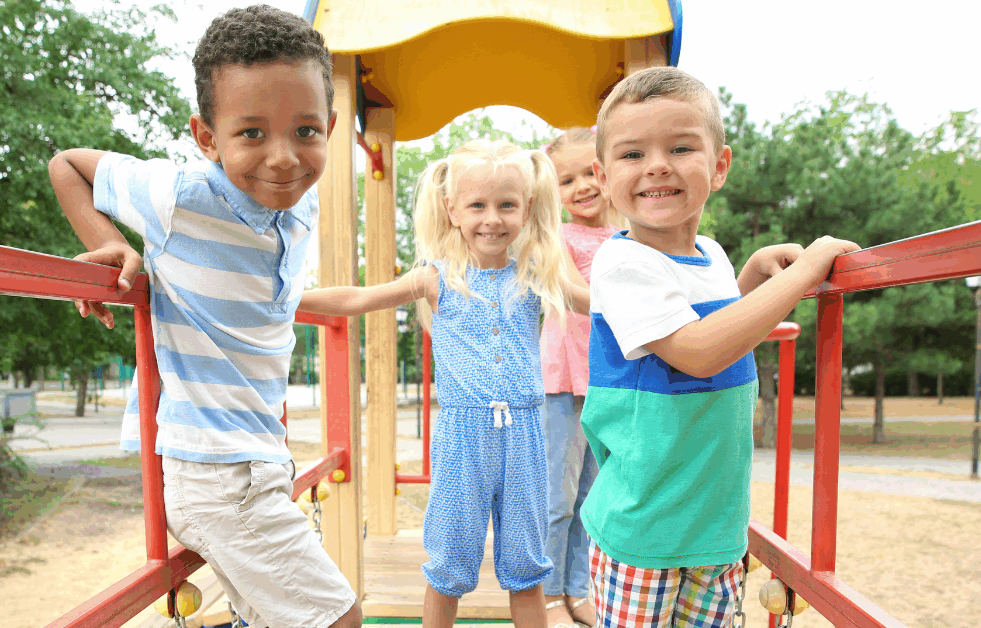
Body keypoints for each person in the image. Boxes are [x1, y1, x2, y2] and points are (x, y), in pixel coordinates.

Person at [47, 6, 362, 627]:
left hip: (258, 461)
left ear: (328, 126)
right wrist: (114, 243)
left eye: (304, 132)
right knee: (339, 617)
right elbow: (69, 164)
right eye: (251, 133)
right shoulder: (180, 196)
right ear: (207, 136)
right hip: (216, 473)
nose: (282, 158)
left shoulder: (302, 203)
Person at [581, 66, 859, 627]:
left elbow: (721, 328)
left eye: (681, 147)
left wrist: (753, 277)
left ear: (720, 165)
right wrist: (804, 271)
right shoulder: (623, 261)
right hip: (645, 523)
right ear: (604, 175)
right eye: (632, 155)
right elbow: (700, 352)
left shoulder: (710, 253)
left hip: (713, 522)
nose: (657, 164)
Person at [298, 139, 590, 628]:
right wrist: (284, 297)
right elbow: (355, 298)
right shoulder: (438, 277)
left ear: (528, 208)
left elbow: (594, 302)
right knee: (449, 560)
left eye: (506, 206)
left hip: (524, 435)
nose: (491, 219)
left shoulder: (536, 272)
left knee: (526, 563)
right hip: (462, 438)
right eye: (477, 205)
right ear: (452, 209)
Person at [538, 127, 625, 628]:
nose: (582, 186)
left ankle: (579, 585)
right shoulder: (557, 239)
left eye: (590, 172)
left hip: (611, 380)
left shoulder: (629, 237)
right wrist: (638, 308)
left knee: (594, 494)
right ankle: (548, 591)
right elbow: (571, 292)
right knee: (558, 494)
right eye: (566, 180)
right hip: (565, 380)